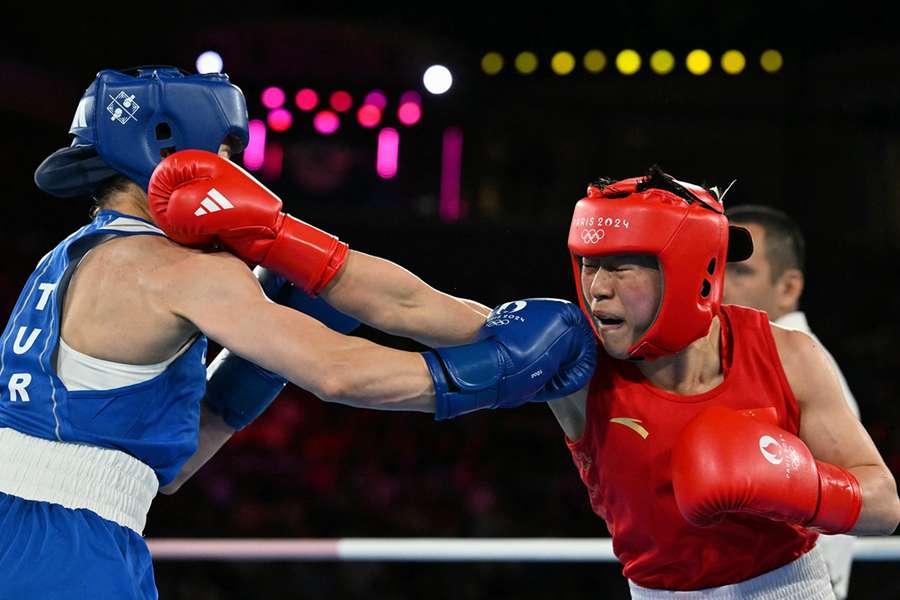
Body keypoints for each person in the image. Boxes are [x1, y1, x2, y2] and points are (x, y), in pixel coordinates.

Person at [0, 67, 596, 600]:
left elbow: (147, 468)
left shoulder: (65, 262)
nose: (236, 171)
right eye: (228, 151)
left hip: (44, 533)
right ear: (174, 150)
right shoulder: (179, 270)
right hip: (65, 550)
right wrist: (499, 375)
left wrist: (250, 377)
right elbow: (339, 372)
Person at [547, 167, 899, 598]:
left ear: (689, 269)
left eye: (620, 266)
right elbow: (466, 348)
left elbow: (884, 505)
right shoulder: (576, 364)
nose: (597, 288)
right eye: (588, 264)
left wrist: (797, 486)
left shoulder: (788, 355)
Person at [723, 204, 860, 599]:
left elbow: (851, 493)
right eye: (714, 263)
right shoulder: (734, 358)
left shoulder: (800, 364)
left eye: (740, 270)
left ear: (787, 288)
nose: (719, 281)